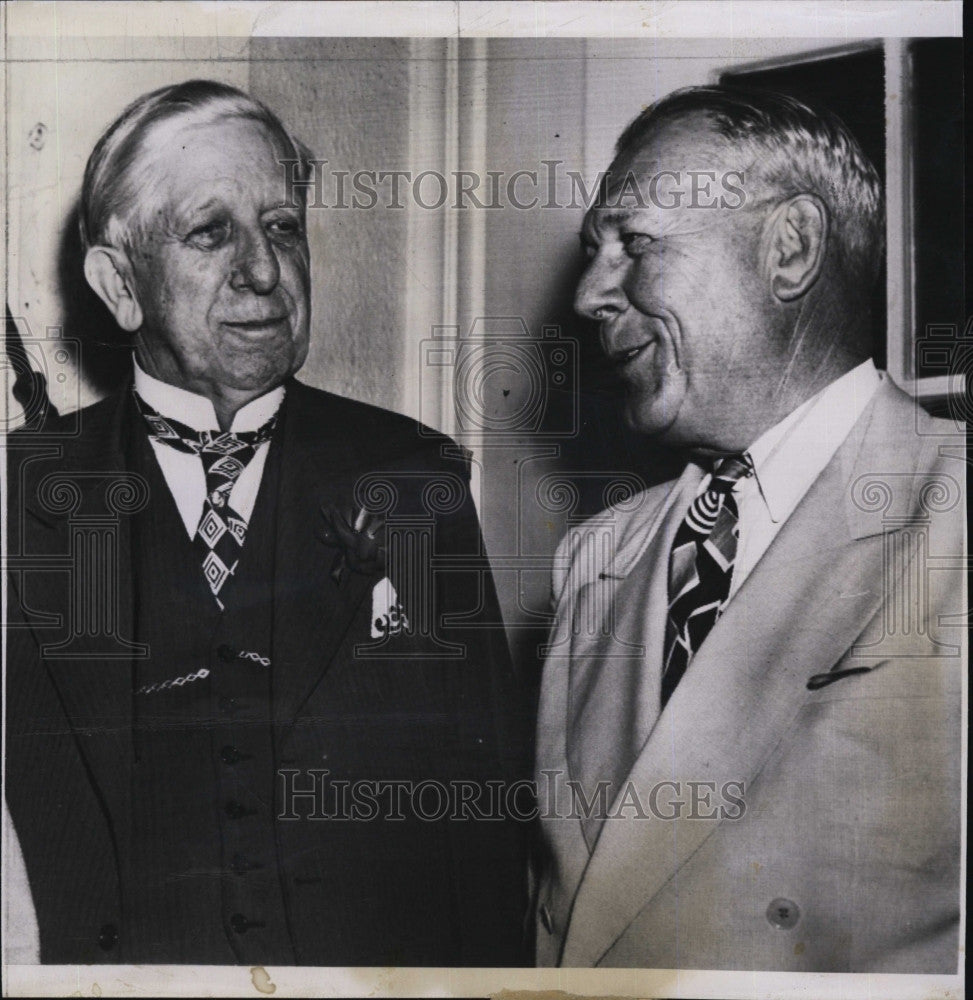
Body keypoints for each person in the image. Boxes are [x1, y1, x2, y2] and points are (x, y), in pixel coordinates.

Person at [5, 79, 529, 966]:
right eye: (211, 233)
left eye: (282, 227)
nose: (263, 271)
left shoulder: (411, 476)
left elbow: (483, 823)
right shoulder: (20, 496)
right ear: (118, 283)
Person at [533, 86, 964, 972]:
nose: (586, 295)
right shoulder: (594, 559)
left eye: (635, 243)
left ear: (790, 249)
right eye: (590, 252)